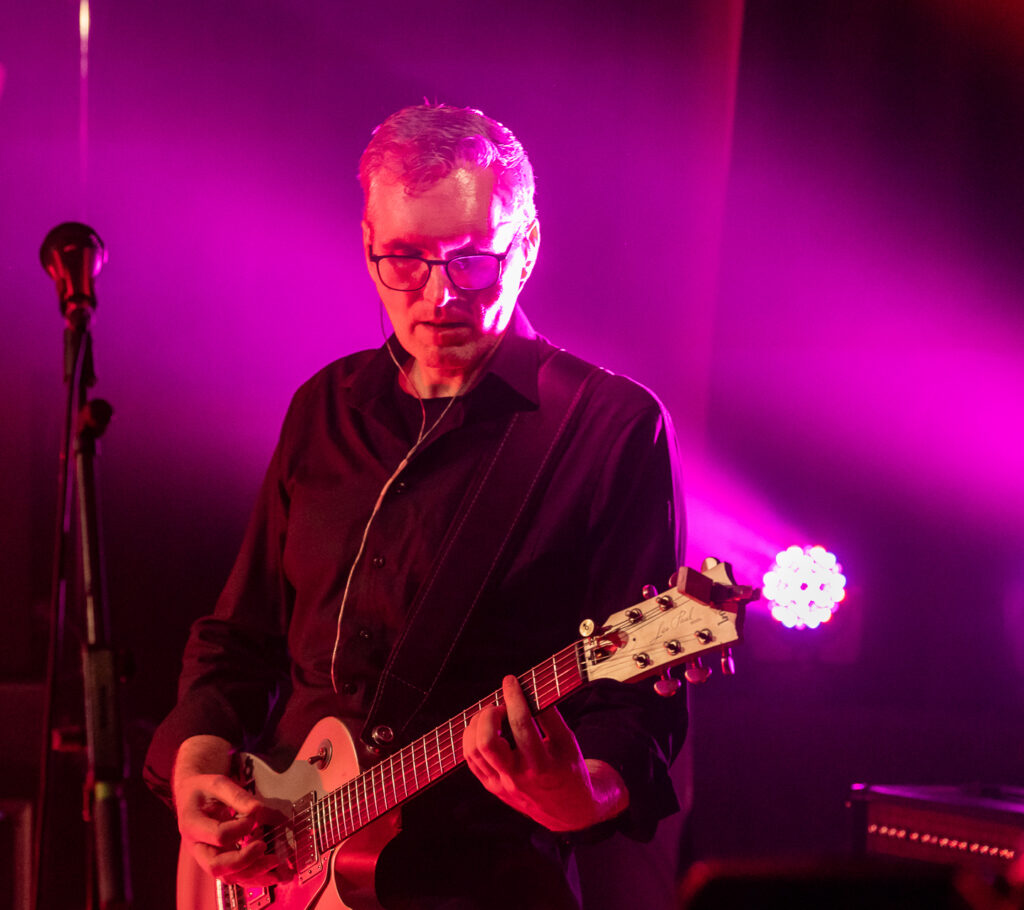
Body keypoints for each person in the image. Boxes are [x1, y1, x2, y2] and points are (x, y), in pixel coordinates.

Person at [144, 102, 687, 909]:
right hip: (281, 872)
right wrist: (195, 769)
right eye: (405, 258)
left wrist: (579, 794)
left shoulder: (608, 427)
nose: (440, 295)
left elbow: (636, 712)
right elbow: (239, 639)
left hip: (480, 885)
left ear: (528, 246)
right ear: (368, 245)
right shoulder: (325, 408)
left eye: (473, 260)